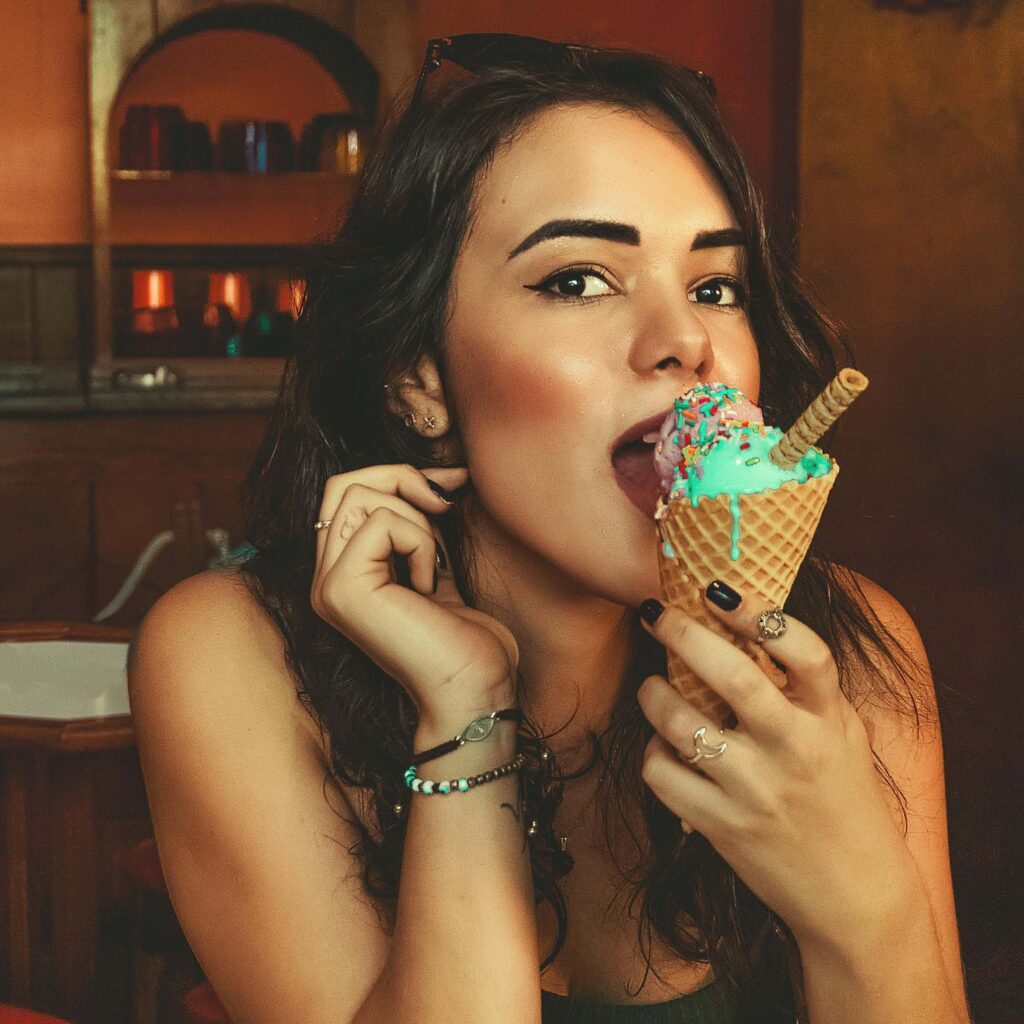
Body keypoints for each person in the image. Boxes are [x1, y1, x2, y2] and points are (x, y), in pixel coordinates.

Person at [128, 35, 972, 1024]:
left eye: (715, 286)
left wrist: (864, 908)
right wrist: (466, 707)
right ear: (420, 378)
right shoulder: (234, 656)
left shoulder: (854, 661)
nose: (684, 341)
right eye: (577, 279)